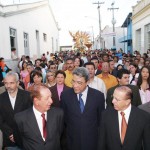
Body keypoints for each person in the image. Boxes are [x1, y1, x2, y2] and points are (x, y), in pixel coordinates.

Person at [61, 67, 105, 150]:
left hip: (92, 141)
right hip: (72, 141)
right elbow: (64, 120)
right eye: (73, 81)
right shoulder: (65, 96)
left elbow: (101, 120)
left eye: (79, 83)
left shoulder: (98, 96)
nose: (75, 85)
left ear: (87, 82)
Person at [98, 86, 150, 150]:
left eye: (117, 99)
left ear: (127, 101)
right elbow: (101, 141)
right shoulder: (106, 115)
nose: (113, 101)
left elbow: (147, 143)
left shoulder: (143, 117)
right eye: (113, 97)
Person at [15, 84, 64, 150]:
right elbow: (19, 140)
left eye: (51, 97)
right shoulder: (20, 118)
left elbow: (60, 134)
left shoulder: (58, 114)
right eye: (47, 98)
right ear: (36, 101)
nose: (51, 101)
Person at [0, 72, 32, 149]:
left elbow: (31, 116)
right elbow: (0, 119)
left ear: (18, 83)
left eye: (11, 83)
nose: (8, 86)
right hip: (9, 138)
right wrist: (11, 134)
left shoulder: (27, 96)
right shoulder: (1, 98)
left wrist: (19, 134)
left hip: (26, 137)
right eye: (6, 83)